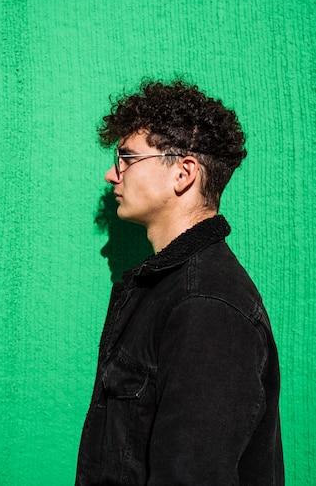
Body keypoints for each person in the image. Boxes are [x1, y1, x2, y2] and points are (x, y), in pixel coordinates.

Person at [75, 79, 284, 485]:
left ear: (183, 173)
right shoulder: (174, 291)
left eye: (126, 158)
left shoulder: (205, 305)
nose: (110, 174)